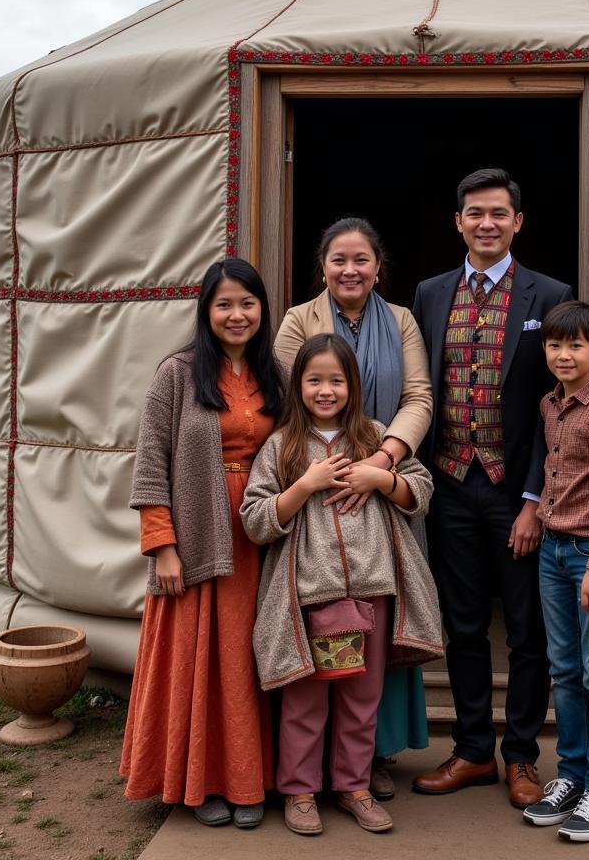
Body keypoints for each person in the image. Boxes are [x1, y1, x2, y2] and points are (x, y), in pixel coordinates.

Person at [411, 167, 571, 809]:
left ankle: (522, 757)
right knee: (465, 624)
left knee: (528, 629)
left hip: (517, 492)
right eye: (475, 213)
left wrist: (535, 499)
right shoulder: (428, 293)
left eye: (498, 213)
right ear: (458, 221)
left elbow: (556, 403)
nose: (486, 223)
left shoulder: (550, 292)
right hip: (449, 483)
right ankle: (474, 750)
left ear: (518, 221)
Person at [240, 334, 443, 837]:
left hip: (372, 589)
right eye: (314, 380)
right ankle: (300, 791)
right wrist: (303, 487)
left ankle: (354, 786)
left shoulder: (374, 437)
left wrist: (382, 479)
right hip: (309, 593)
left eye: (336, 380)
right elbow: (254, 519)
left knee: (362, 695)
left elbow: (422, 487)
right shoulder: (281, 445)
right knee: (306, 700)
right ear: (298, 385)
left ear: (352, 385)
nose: (325, 390)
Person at [120, 258, 285, 830]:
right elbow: (150, 464)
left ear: (263, 309)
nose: (237, 315)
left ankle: (252, 779)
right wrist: (162, 544)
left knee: (250, 657)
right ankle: (201, 782)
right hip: (195, 538)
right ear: (206, 311)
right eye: (224, 304)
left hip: (264, 535)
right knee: (201, 661)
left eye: (247, 303)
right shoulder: (178, 373)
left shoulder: (277, 374)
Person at [274, 216, 432, 799]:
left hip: (381, 482)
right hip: (317, 494)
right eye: (339, 259)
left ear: (377, 267)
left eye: (361, 259)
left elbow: (418, 396)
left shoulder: (402, 321)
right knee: (322, 634)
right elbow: (288, 394)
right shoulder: (298, 322)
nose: (350, 269)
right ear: (322, 267)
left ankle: (371, 761)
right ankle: (306, 773)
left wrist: (382, 463)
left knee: (380, 630)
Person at [520, 301, 589, 842]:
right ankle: (572, 775)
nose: (564, 355)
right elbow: (556, 473)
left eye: (575, 346)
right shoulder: (550, 403)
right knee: (563, 669)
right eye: (554, 345)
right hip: (552, 551)